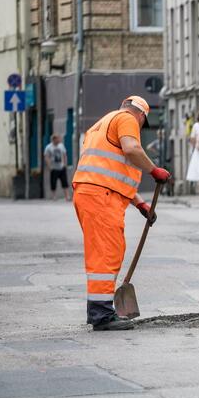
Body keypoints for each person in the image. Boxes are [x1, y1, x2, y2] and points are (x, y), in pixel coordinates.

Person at [71, 96, 171, 331]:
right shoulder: (127, 119)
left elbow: (109, 170)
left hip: (92, 193)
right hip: (100, 197)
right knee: (105, 254)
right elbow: (132, 149)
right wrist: (154, 170)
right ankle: (102, 315)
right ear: (141, 115)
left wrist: (140, 204)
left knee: (108, 251)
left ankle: (100, 309)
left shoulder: (100, 125)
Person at [44, 134, 70, 201]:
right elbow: (46, 157)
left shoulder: (61, 146)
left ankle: (67, 196)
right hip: (54, 168)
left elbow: (64, 155)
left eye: (58, 139)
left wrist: (65, 164)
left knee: (65, 182)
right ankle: (54, 196)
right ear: (53, 139)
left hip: (61, 167)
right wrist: (49, 166)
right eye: (57, 139)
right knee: (53, 182)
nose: (58, 140)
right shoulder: (48, 147)